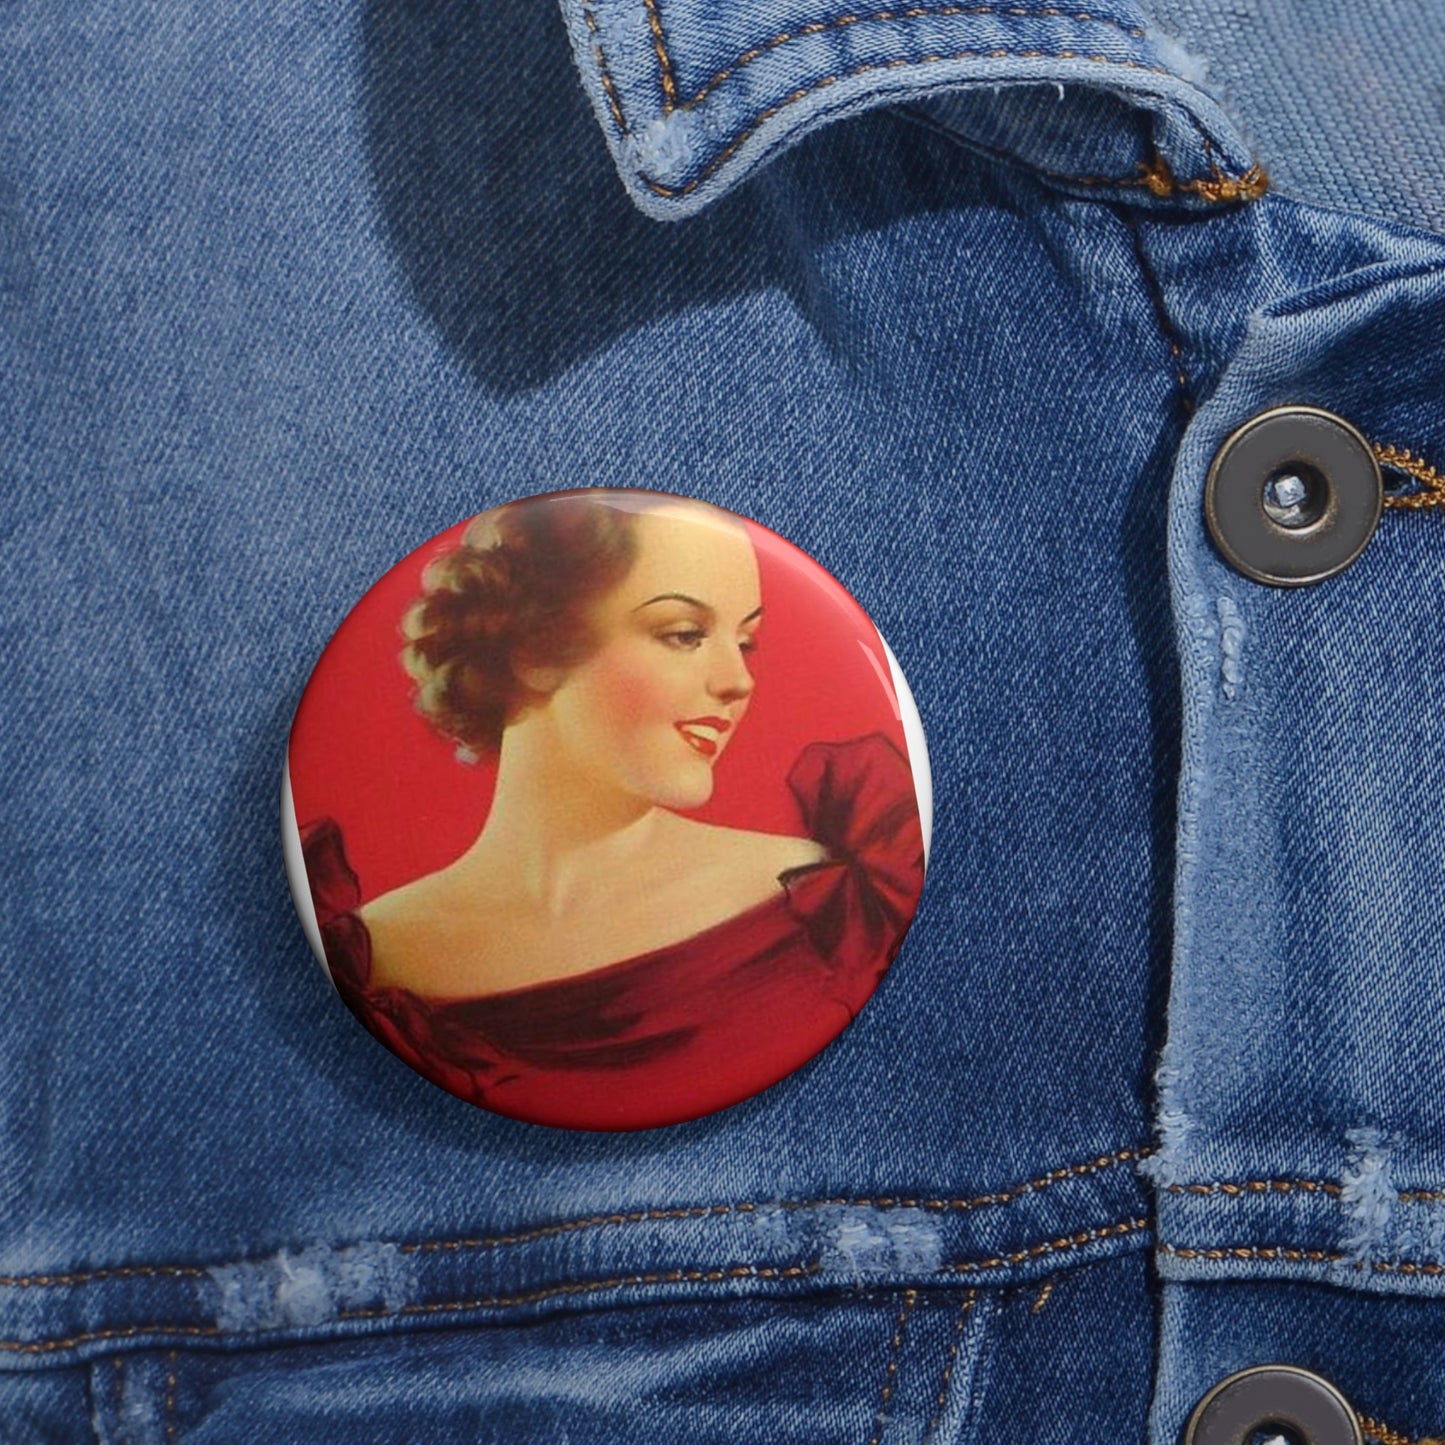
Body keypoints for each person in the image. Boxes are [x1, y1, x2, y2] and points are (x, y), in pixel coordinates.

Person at [300, 490, 925, 1130]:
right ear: (535, 650)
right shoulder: (381, 960)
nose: (738, 680)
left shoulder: (828, 899)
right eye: (684, 634)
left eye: (746, 641)